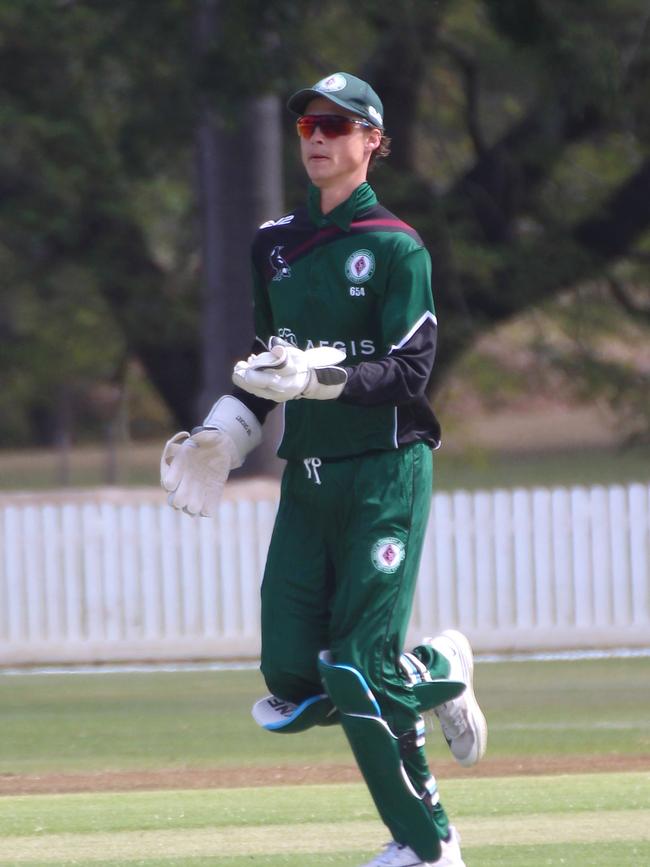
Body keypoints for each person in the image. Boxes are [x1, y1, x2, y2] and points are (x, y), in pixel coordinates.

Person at [161, 71, 487, 867]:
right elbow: (265, 366)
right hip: (307, 476)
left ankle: (428, 845)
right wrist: (226, 434)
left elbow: (410, 373)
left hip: (384, 469)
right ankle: (440, 666)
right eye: (309, 122)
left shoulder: (396, 247)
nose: (317, 136)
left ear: (373, 142)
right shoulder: (273, 243)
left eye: (338, 125)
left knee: (356, 668)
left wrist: (318, 378)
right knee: (290, 678)